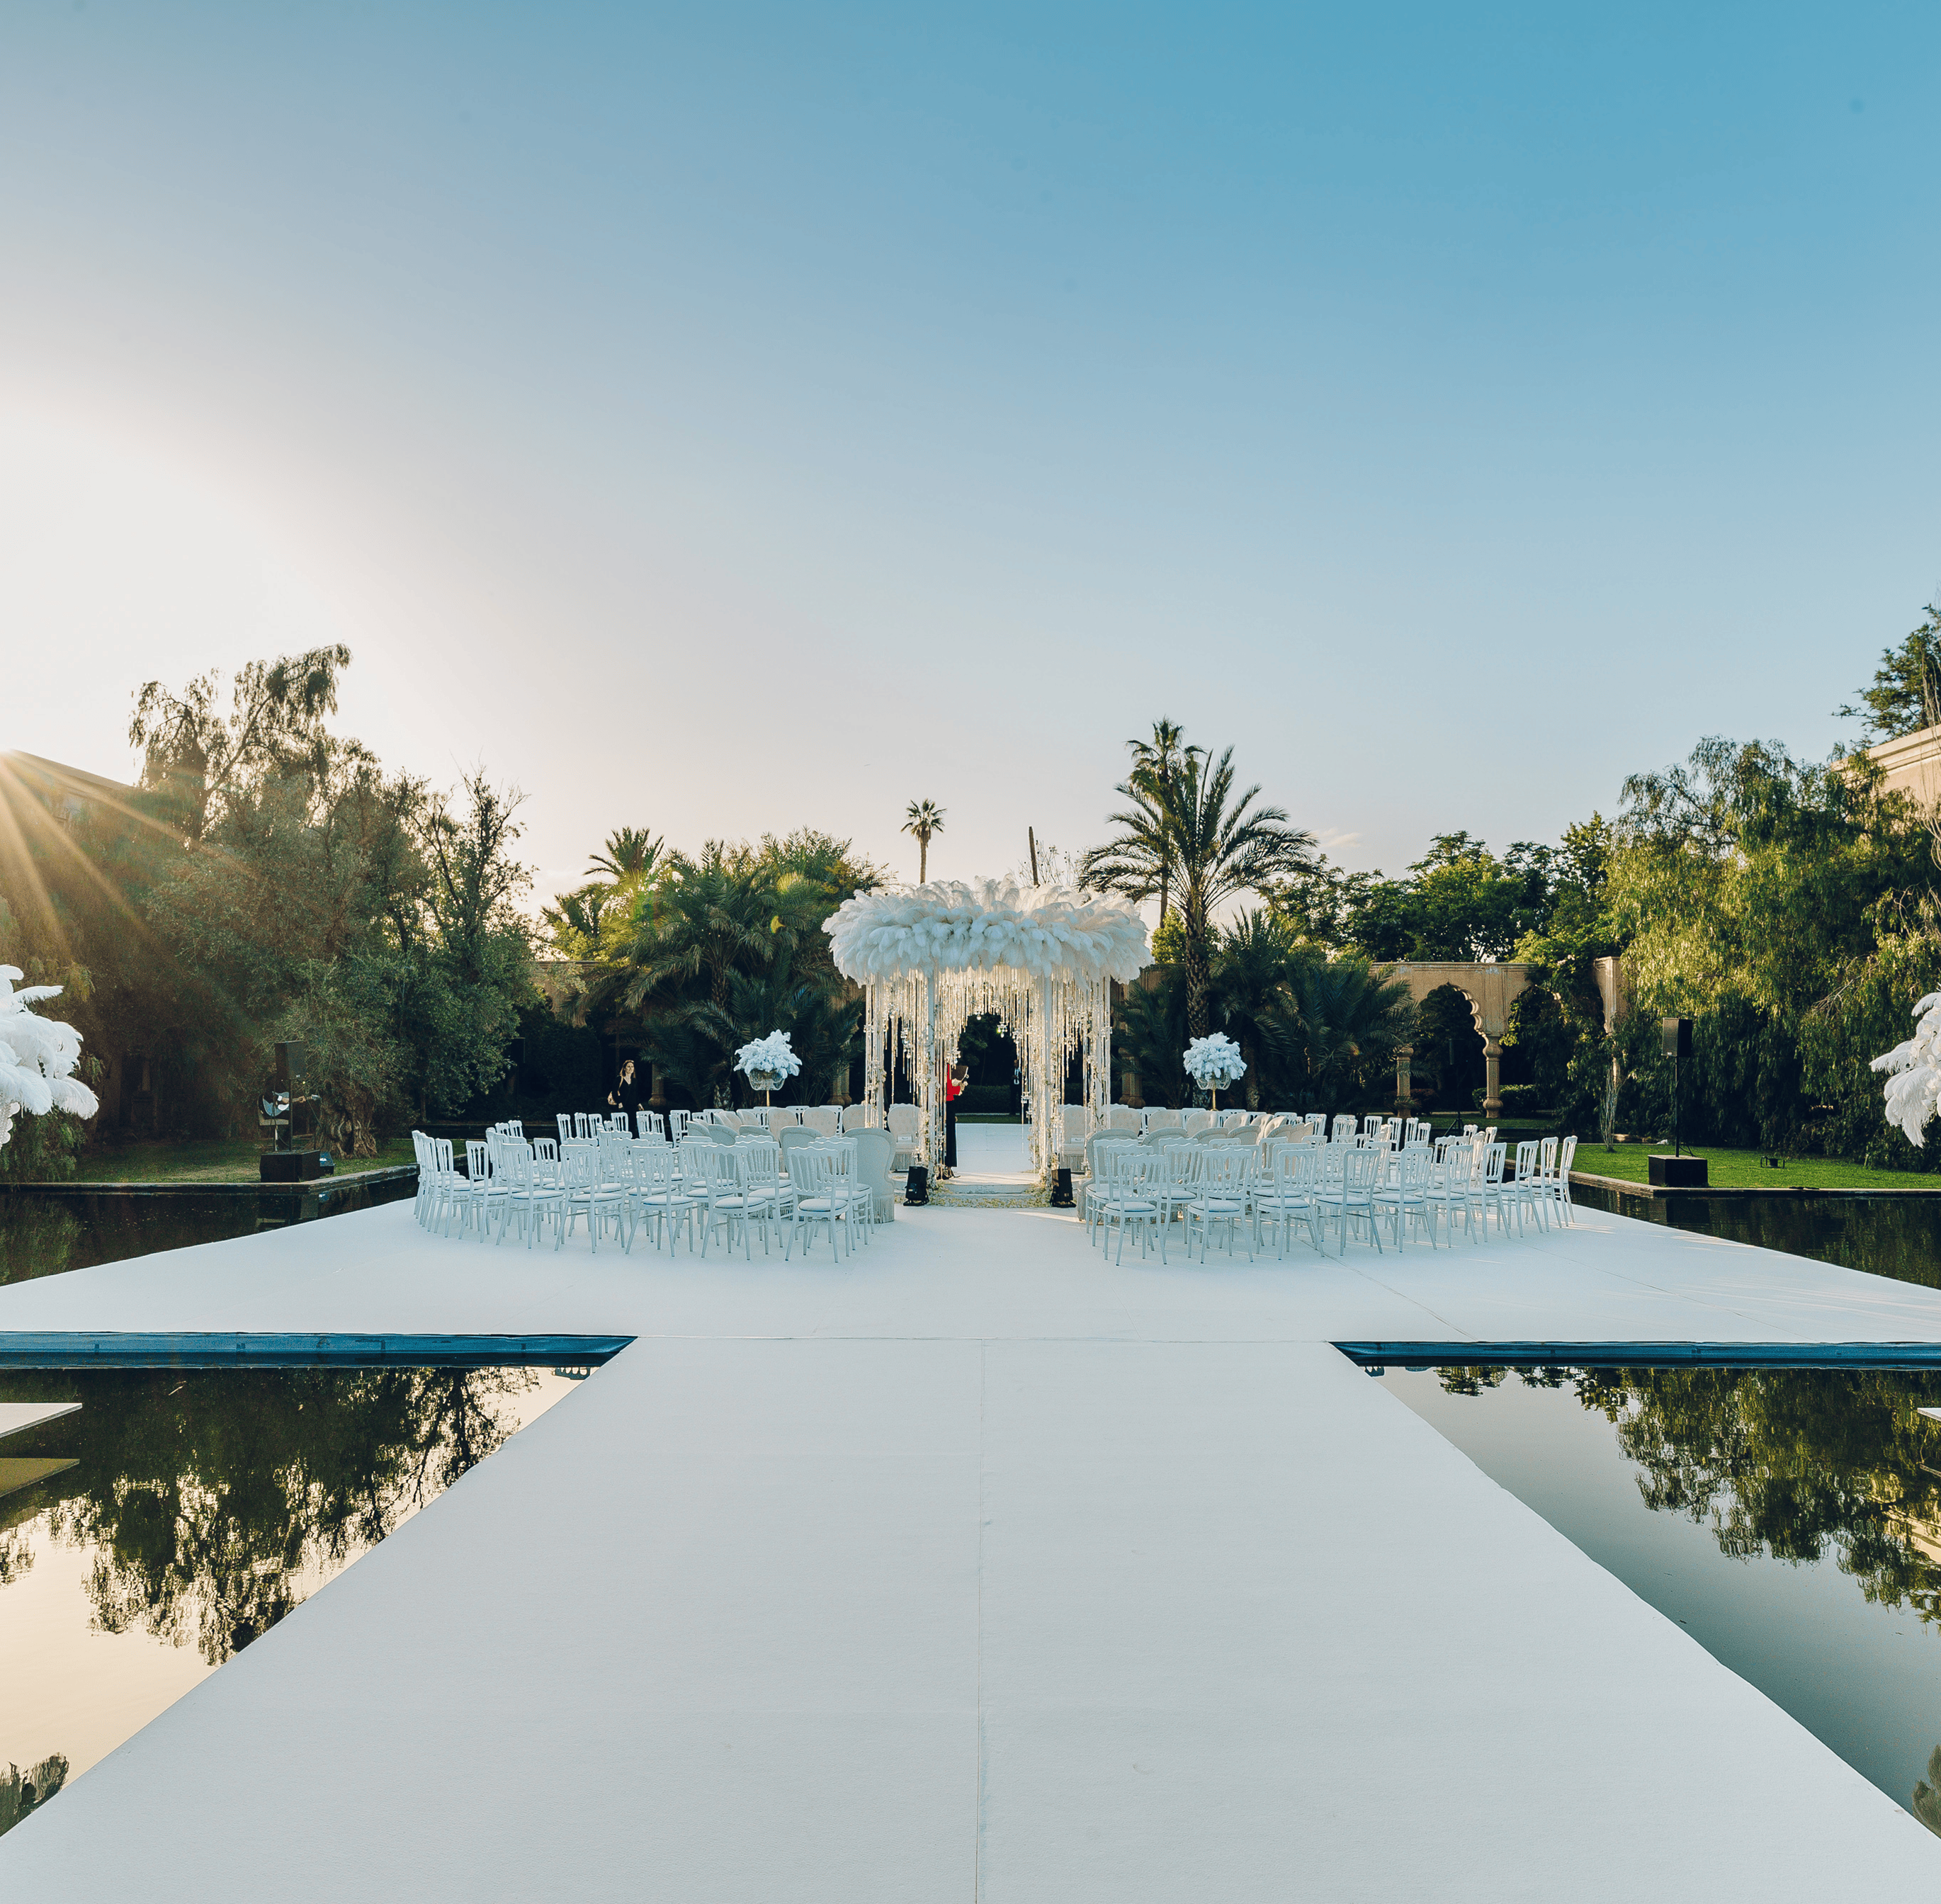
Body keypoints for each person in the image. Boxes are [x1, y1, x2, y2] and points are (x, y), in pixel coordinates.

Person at [945, 1062, 966, 1169]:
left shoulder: (947, 1066)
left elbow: (948, 1089)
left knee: (949, 1133)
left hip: (949, 1102)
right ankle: (948, 1163)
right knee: (948, 1133)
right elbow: (947, 1089)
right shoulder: (946, 1067)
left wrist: (958, 1086)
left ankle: (948, 1163)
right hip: (946, 1102)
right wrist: (958, 1087)